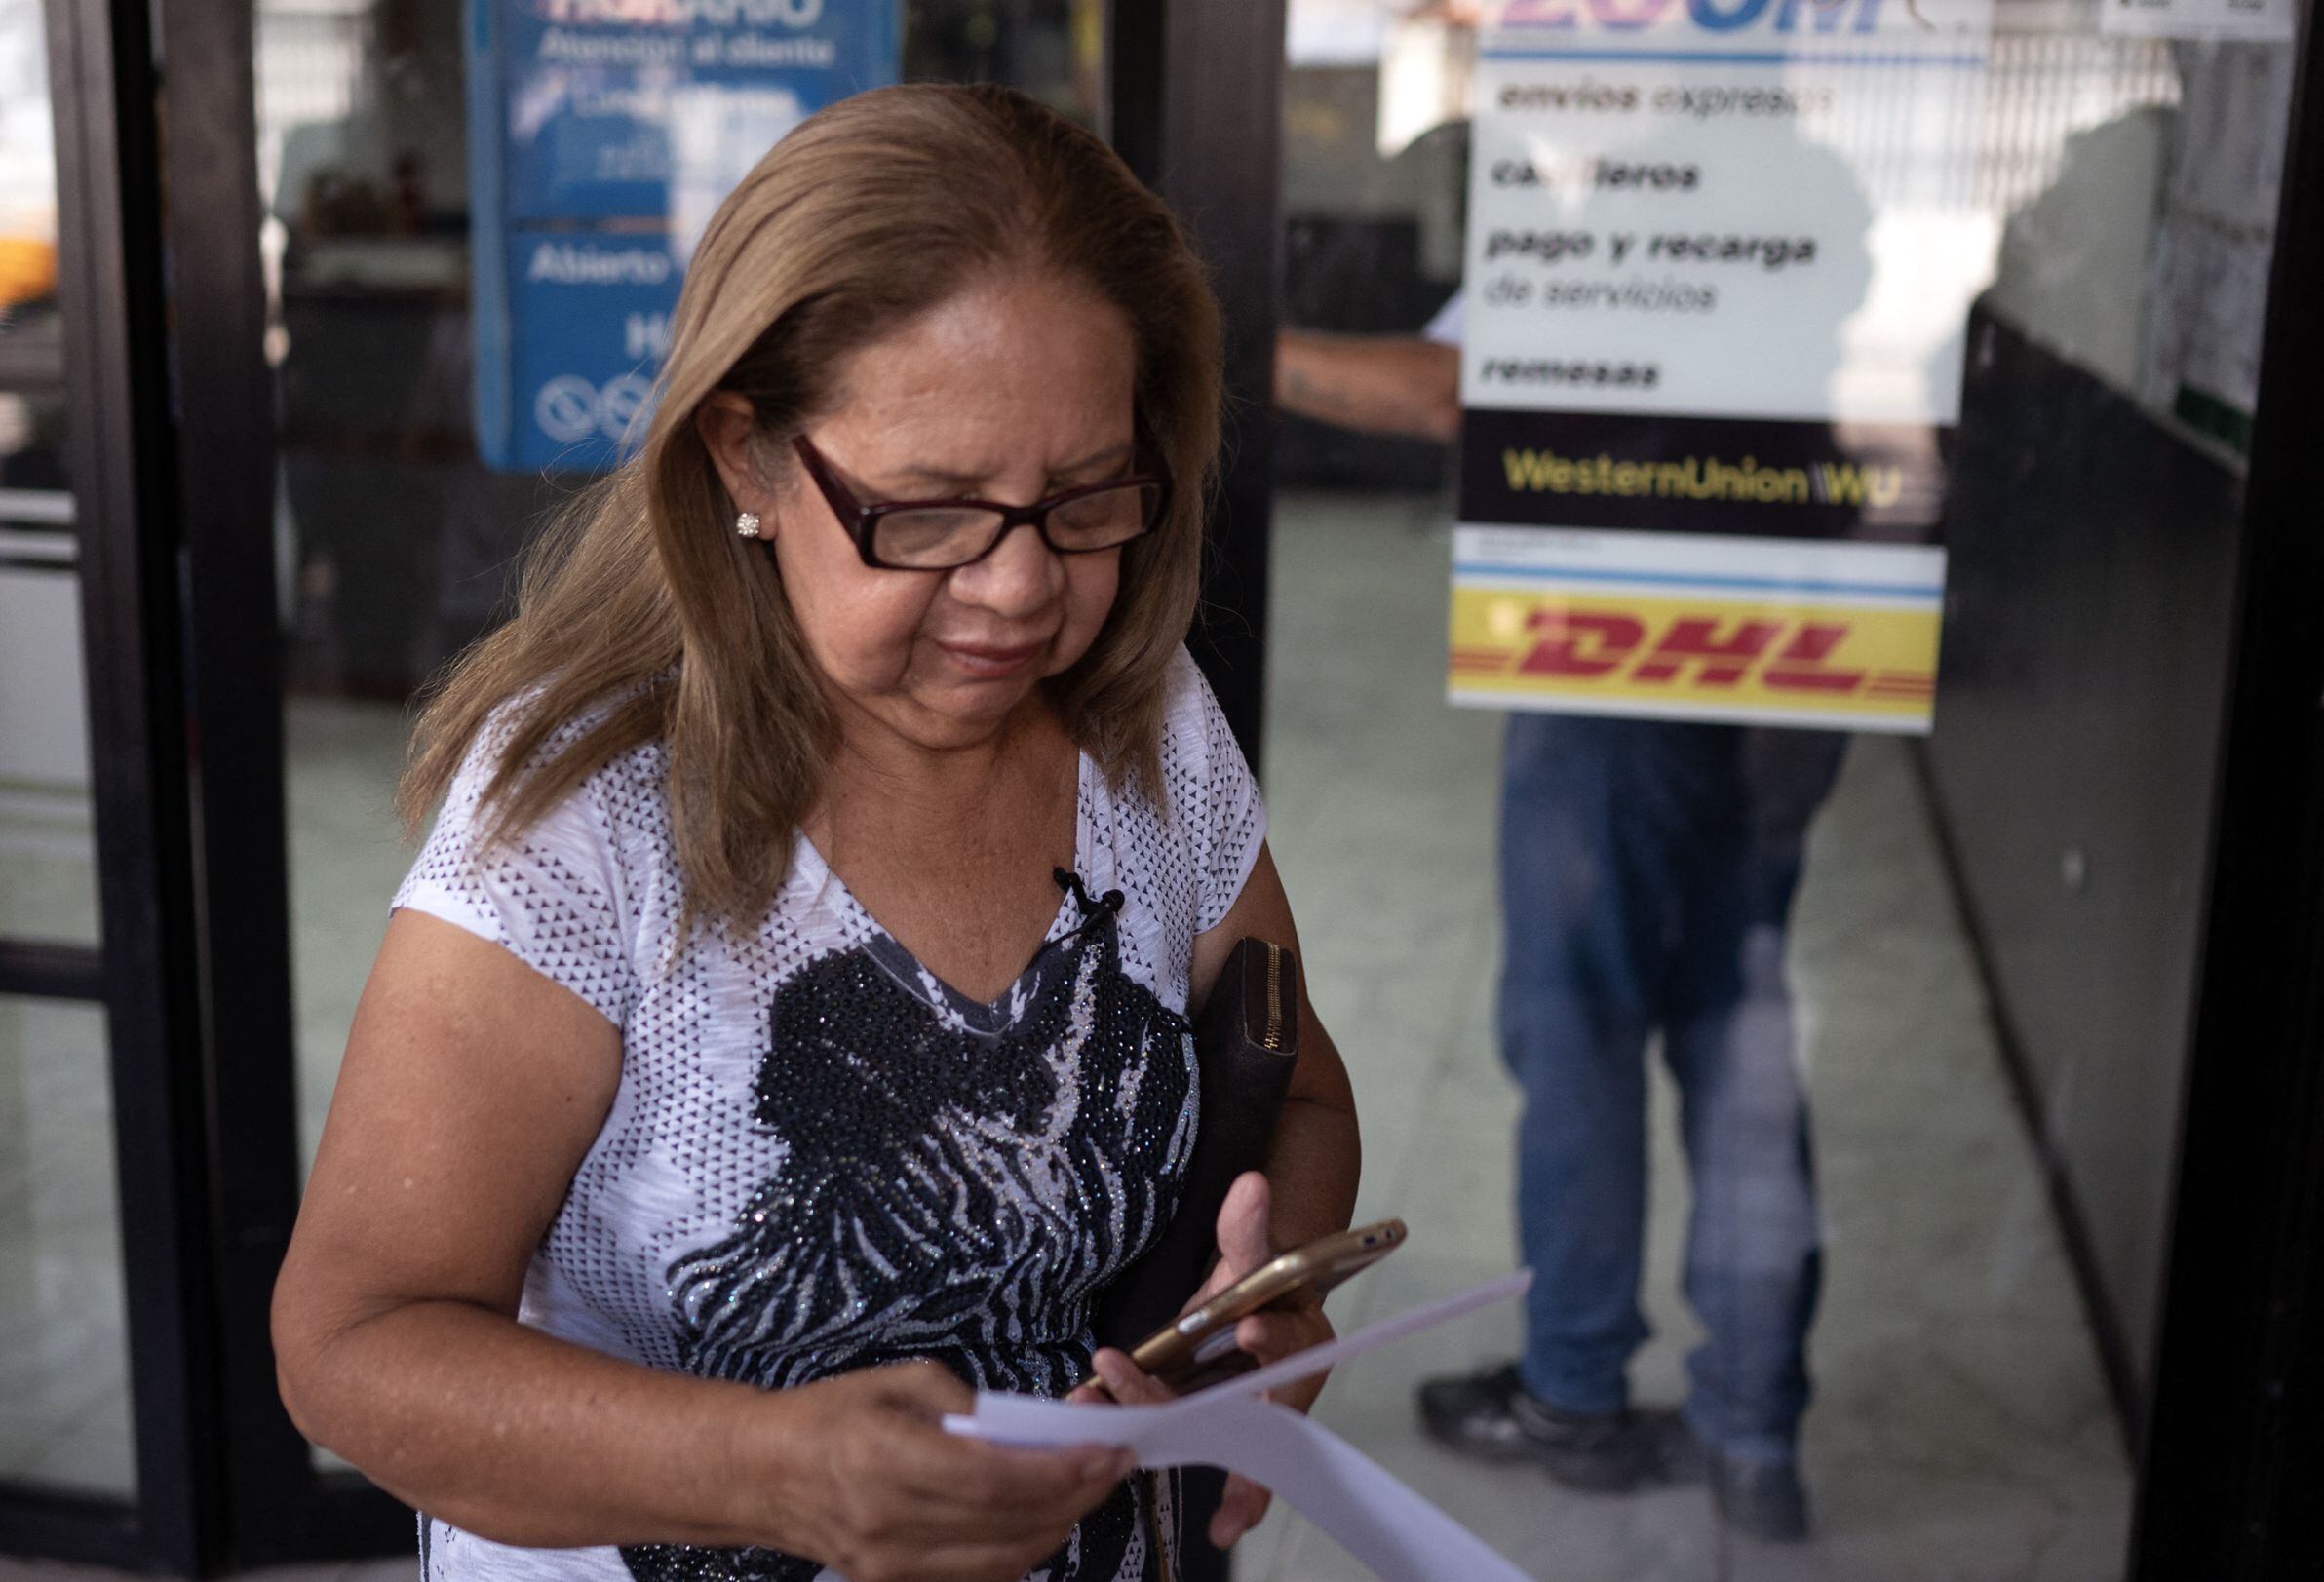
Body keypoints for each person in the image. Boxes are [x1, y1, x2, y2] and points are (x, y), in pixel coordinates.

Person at [272, 84, 1362, 1582]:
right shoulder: (589, 811)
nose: (1018, 587)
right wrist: (777, 1471)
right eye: (928, 509)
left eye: (1086, 496)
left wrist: (1260, 1309)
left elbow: (1298, 1100)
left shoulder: (1144, 719)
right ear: (748, 458)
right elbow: (355, 1344)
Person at [1276, 301, 1840, 1540]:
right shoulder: (1813, 212)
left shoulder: (1617, 215)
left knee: (1580, 1026)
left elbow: (1445, 387)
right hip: (1809, 630)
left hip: (1622, 635)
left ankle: (1574, 1391)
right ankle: (1753, 1434)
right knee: (1738, 1027)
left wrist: (1227, 334)